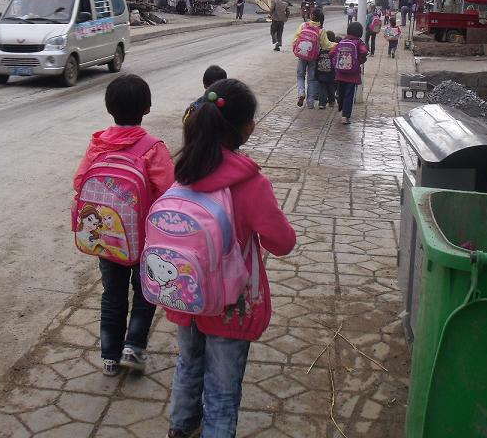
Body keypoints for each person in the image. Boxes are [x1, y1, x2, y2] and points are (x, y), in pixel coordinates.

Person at [164, 79, 296, 438]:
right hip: (230, 304)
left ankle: (180, 428)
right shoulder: (250, 183)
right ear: (247, 128)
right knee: (222, 389)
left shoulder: (183, 171)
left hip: (187, 294)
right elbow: (282, 243)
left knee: (188, 365)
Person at [73, 74, 175, 376]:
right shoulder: (152, 148)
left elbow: (79, 182)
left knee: (112, 295)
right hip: (145, 238)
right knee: (145, 294)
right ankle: (133, 347)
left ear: (109, 108)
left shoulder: (98, 144)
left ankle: (109, 356)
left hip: (106, 238)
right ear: (147, 108)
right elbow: (169, 191)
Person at [292, 8, 337, 109]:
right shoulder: (321, 30)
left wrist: (296, 49)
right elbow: (326, 45)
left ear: (312, 16)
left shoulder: (303, 25)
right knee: (312, 79)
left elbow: (295, 39)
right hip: (313, 57)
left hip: (302, 55)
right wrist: (337, 44)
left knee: (300, 76)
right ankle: (310, 102)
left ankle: (301, 93)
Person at [331, 22, 369, 125]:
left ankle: (340, 103)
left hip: (340, 73)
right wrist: (359, 61)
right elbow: (364, 52)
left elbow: (332, 53)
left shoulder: (342, 41)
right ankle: (345, 116)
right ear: (360, 32)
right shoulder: (359, 42)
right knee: (349, 95)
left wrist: (336, 62)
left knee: (341, 91)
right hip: (353, 74)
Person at [315, 30, 337, 109]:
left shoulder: (320, 49)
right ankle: (331, 101)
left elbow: (316, 59)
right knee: (331, 87)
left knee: (322, 87)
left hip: (321, 71)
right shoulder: (334, 49)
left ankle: (322, 103)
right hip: (331, 72)